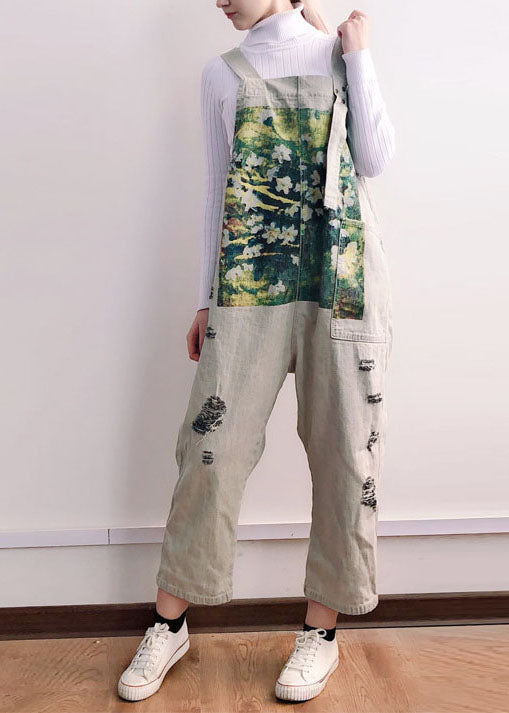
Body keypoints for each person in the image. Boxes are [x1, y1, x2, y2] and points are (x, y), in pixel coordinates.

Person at [118, 0, 395, 703]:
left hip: (341, 282)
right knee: (210, 450)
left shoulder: (341, 55)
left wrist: (358, 55)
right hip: (247, 286)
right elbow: (217, 191)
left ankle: (321, 632)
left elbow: (374, 160)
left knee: (344, 455)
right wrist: (205, 298)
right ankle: (169, 622)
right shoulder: (221, 73)